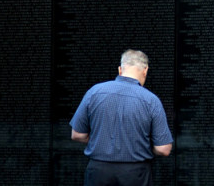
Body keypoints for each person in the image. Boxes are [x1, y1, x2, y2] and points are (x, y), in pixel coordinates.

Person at [70, 49, 174, 186]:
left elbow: (77, 135)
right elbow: (163, 149)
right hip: (136, 174)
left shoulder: (94, 92)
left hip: (98, 172)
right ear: (145, 70)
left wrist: (100, 141)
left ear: (120, 69)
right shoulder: (151, 100)